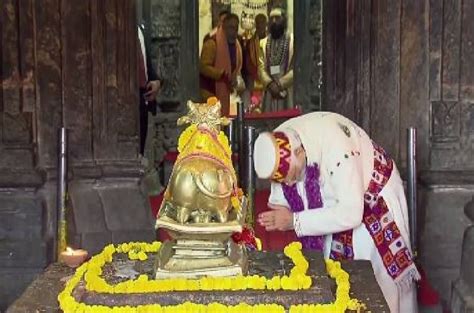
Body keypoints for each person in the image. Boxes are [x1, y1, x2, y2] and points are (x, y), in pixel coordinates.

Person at [253, 112, 419, 313]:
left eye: (293, 176)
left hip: (373, 198)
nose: (289, 183)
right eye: (284, 181)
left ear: (300, 153)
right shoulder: (280, 144)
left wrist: (295, 221)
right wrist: (282, 207)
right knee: (337, 279)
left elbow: (350, 213)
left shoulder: (337, 147)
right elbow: (281, 191)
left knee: (378, 285)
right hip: (334, 201)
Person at [199, 13, 245, 116]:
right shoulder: (212, 43)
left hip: (226, 93)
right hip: (209, 94)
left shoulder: (237, 46)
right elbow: (203, 67)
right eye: (231, 27)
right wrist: (221, 74)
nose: (233, 32)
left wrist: (234, 80)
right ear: (223, 27)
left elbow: (236, 69)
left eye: (236, 28)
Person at [258, 7, 293, 112]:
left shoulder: (293, 41)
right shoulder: (263, 43)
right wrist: (270, 84)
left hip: (287, 90)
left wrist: (280, 84)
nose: (274, 21)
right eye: (272, 18)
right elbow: (261, 68)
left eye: (277, 18)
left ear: (284, 20)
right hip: (269, 91)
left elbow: (297, 68)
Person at [137, 24, 162, 156]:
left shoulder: (140, 29)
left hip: (143, 98)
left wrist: (156, 81)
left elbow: (147, 65)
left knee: (140, 152)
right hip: (126, 101)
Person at [243, 14, 267, 113]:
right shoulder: (250, 42)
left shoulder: (270, 40)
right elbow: (248, 61)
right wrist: (256, 74)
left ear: (266, 24)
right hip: (254, 77)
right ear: (255, 24)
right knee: (253, 102)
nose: (260, 25)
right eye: (258, 23)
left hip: (268, 76)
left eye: (262, 23)